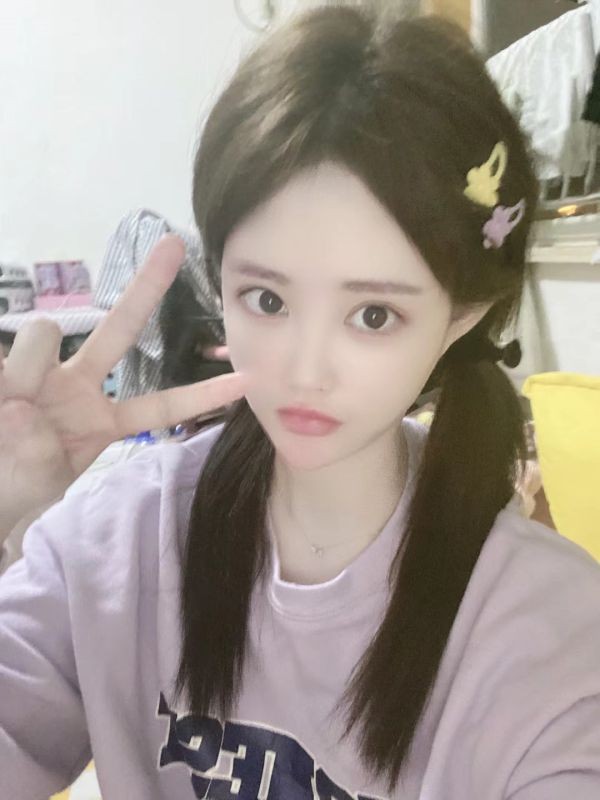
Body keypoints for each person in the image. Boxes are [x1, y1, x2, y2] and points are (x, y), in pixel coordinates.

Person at [1, 5, 599, 799]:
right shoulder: (120, 538)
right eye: (268, 300)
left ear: (461, 315)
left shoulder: (549, 631)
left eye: (373, 315)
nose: (305, 370)